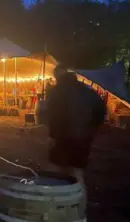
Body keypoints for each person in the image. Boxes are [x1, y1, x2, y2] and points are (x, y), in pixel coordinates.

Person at [46, 64, 106, 208]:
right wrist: (90, 131)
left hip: (63, 138)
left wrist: (52, 137)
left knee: (57, 173)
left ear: (58, 76)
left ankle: (56, 207)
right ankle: (80, 208)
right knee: (78, 173)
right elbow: (101, 113)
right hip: (83, 139)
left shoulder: (57, 92)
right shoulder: (89, 91)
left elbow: (54, 117)